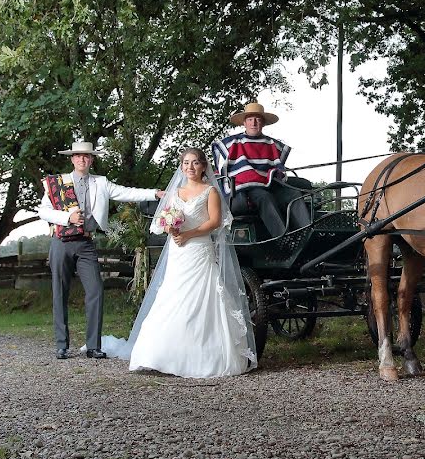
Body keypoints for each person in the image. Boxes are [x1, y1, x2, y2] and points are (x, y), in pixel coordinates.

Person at [103, 148, 257, 378]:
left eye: (195, 163)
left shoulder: (210, 192)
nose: (190, 167)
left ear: (203, 166)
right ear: (181, 166)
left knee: (200, 297)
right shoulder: (175, 192)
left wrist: (189, 234)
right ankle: (160, 355)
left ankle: (202, 356)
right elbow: (162, 220)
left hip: (198, 249)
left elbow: (215, 221)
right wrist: (171, 227)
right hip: (178, 251)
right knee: (172, 296)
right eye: (186, 163)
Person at [38, 141, 165, 360]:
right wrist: (67, 217)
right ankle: (62, 344)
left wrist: (154, 193)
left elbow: (126, 192)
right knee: (60, 292)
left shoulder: (101, 183)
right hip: (61, 242)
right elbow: (43, 211)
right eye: (78, 156)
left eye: (86, 156)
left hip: (86, 243)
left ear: (92, 160)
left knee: (95, 290)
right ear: (72, 159)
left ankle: (93, 346)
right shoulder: (58, 183)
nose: (82, 159)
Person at [212, 101, 311, 238]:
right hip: (246, 190)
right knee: (263, 196)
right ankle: (283, 238)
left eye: (258, 120)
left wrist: (276, 174)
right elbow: (221, 168)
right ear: (244, 123)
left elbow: (277, 168)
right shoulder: (233, 143)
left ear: (263, 123)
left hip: (271, 185)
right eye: (250, 119)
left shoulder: (272, 144)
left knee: (293, 194)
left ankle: (307, 234)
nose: (254, 123)